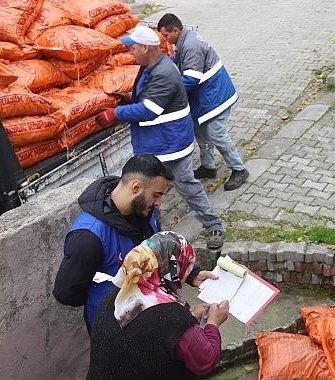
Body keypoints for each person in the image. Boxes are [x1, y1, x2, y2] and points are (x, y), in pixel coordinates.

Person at [95, 25, 225, 251]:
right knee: (149, 194)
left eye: (133, 48)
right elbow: (149, 94)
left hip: (170, 144)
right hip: (157, 143)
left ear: (146, 48)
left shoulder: (163, 72)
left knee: (186, 185)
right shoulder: (150, 66)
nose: (131, 52)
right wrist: (129, 96)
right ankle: (155, 236)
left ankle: (213, 225)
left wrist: (115, 113)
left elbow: (149, 109)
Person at [52, 154, 216, 333]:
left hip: (150, 316)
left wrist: (191, 274)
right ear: (136, 187)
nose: (159, 203)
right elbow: (67, 293)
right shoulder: (88, 237)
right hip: (115, 331)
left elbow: (159, 251)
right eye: (156, 195)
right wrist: (109, 294)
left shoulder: (144, 209)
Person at [87, 231, 230, 380]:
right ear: (175, 269)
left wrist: (191, 318)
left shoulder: (115, 296)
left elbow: (150, 334)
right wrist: (213, 322)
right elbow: (205, 360)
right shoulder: (173, 317)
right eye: (186, 267)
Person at [157, 13, 250, 191]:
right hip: (207, 96)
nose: (165, 40)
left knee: (217, 134)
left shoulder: (190, 45)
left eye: (166, 35)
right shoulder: (184, 40)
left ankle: (239, 169)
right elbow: (179, 64)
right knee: (200, 131)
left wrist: (170, 95)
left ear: (175, 30)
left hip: (216, 97)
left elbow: (191, 78)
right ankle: (208, 166)